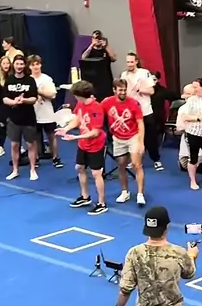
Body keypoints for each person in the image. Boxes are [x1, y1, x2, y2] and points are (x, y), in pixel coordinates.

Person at [55, 80, 107, 215]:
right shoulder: (80, 104)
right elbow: (78, 119)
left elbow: (95, 132)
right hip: (83, 144)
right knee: (79, 168)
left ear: (81, 95)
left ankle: (102, 203)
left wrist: (76, 137)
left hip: (95, 145)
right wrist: (65, 129)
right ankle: (85, 197)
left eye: (75, 95)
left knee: (96, 173)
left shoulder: (96, 108)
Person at [101, 78, 145, 205]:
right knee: (121, 165)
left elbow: (140, 123)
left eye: (125, 90)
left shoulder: (134, 103)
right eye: (120, 90)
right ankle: (125, 192)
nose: (123, 92)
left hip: (133, 136)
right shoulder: (107, 102)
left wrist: (141, 142)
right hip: (117, 138)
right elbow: (97, 111)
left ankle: (140, 194)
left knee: (136, 164)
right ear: (114, 90)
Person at [122, 52, 163, 170]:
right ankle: (135, 160)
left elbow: (151, 91)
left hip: (145, 111)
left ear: (136, 62)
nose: (129, 64)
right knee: (132, 138)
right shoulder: (124, 75)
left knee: (151, 138)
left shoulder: (144, 73)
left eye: (131, 62)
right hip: (131, 112)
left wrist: (140, 90)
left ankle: (156, 160)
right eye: (127, 62)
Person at [3, 54, 38, 181]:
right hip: (14, 119)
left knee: (30, 145)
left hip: (28, 118)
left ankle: (33, 169)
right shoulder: (9, 80)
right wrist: (14, 102)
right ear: (14, 65)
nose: (19, 66)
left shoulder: (30, 80)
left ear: (25, 65)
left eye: (21, 64)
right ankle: (15, 170)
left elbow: (34, 98)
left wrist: (24, 100)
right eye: (17, 64)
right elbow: (5, 98)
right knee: (14, 145)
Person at [27, 55, 62, 169]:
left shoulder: (47, 79)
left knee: (51, 136)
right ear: (29, 67)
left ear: (41, 65)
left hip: (47, 113)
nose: (36, 67)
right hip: (33, 113)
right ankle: (36, 158)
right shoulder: (28, 80)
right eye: (33, 65)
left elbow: (52, 95)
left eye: (37, 64)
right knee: (35, 137)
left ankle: (55, 158)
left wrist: (39, 92)